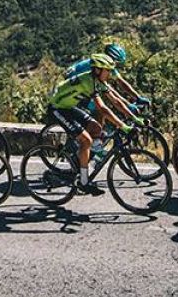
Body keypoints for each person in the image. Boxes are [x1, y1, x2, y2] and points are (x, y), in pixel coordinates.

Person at [45, 53, 135, 195]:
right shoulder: (89, 81)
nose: (110, 73)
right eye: (108, 70)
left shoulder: (98, 81)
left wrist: (134, 118)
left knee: (96, 128)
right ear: (98, 70)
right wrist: (122, 126)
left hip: (69, 107)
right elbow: (103, 109)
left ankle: (78, 160)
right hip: (57, 108)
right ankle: (84, 182)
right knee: (86, 140)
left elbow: (116, 101)